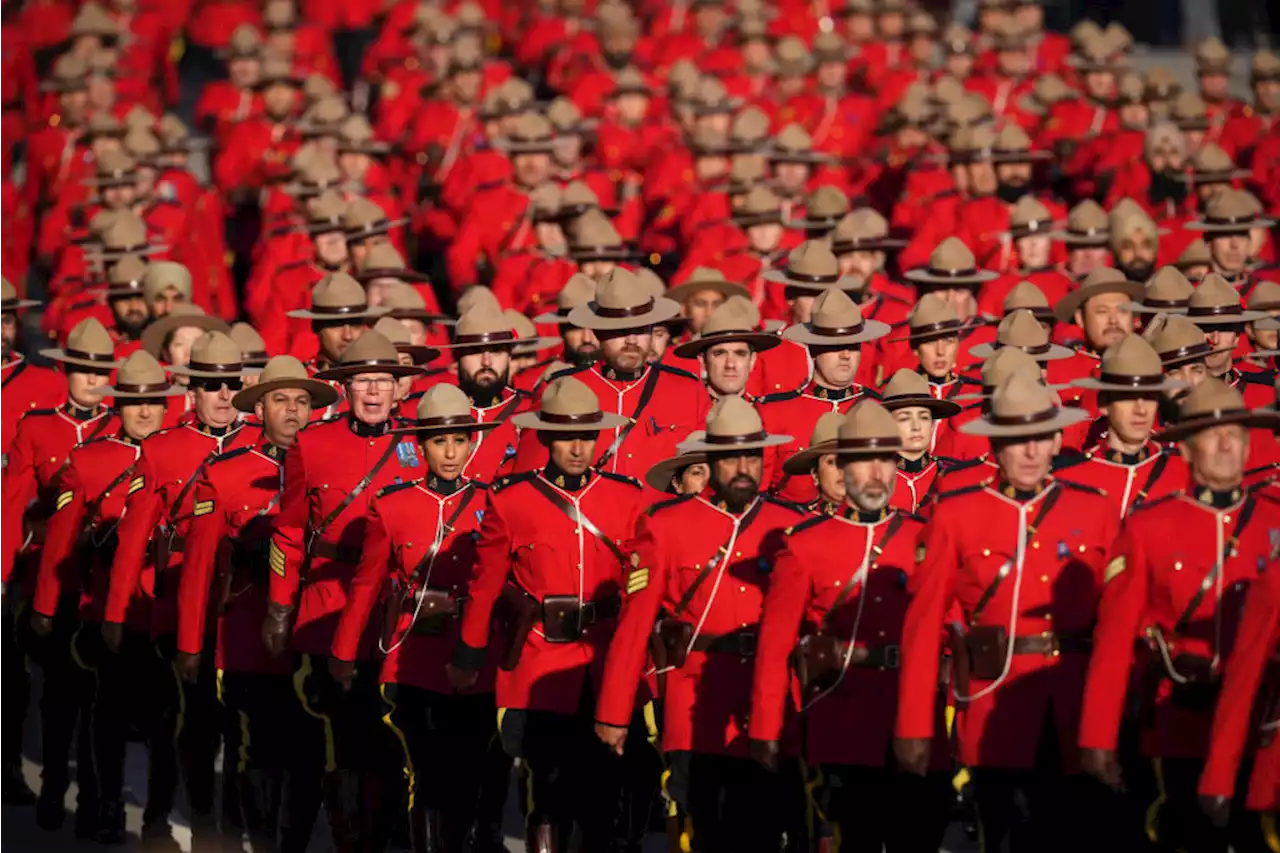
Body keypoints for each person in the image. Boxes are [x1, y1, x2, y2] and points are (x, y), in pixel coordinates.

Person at [895, 371, 1117, 853]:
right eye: (1017, 440)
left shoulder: (1095, 510)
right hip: (994, 700)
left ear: (1059, 438)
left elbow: (1117, 622)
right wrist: (916, 726)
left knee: (1073, 832)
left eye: (1040, 437)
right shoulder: (957, 513)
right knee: (1002, 833)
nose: (1031, 452)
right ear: (995, 446)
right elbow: (923, 624)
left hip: (1074, 699)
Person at [595, 395, 806, 853]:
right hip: (698, 704)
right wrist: (614, 711)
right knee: (706, 828)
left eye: (753, 454)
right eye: (732, 456)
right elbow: (635, 625)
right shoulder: (667, 526)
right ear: (710, 462)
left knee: (769, 830)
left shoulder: (789, 527)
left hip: (770, 699)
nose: (744, 467)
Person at [1080, 378, 1280, 853]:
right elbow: (1114, 640)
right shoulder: (1150, 529)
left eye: (1236, 432)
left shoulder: (1274, 522)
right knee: (1184, 833)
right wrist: (1098, 736)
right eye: (1213, 434)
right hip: (1179, 714)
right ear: (1186, 451)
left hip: (1262, 719)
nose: (1227, 444)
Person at [452, 376, 648, 853]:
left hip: (605, 659)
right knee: (548, 788)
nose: (578, 449)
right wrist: (470, 653)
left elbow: (642, 584)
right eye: (566, 437)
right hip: (540, 659)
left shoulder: (628, 498)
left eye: (586, 436)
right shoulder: (511, 500)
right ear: (544, 438)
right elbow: (485, 586)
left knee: (604, 790)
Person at [751, 400, 953, 853]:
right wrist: (767, 730)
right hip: (843, 722)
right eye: (864, 460)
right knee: (854, 839)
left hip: (915, 718)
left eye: (887, 459)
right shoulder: (804, 545)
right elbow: (775, 645)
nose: (878, 473)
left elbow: (951, 626)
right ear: (843, 467)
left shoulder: (925, 537)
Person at [264, 331, 423, 852]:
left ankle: (387, 830)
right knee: (340, 736)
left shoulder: (422, 443)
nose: (374, 392)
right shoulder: (311, 443)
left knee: (391, 734)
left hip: (396, 611)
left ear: (399, 389)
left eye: (383, 381)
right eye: (362, 382)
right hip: (329, 605)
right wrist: (280, 605)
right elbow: (289, 532)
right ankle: (348, 836)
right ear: (344, 387)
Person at [329, 384, 505, 853]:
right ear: (421, 446)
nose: (450, 452)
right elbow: (367, 583)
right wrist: (344, 652)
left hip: (476, 658)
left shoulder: (496, 504)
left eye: (460, 440)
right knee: (425, 772)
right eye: (439, 441)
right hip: (413, 656)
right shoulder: (391, 504)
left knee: (468, 773)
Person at [102, 330, 259, 848]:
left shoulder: (262, 444)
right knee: (181, 721)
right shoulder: (163, 450)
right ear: (190, 392)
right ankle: (166, 817)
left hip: (240, 605)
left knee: (236, 723)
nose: (221, 395)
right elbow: (133, 539)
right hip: (176, 602)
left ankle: (233, 822)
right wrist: (119, 613)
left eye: (231, 384)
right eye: (210, 385)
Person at [176, 356, 337, 852]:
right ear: (259, 408)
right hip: (247, 633)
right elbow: (200, 565)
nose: (293, 412)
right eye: (281, 400)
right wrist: (189, 643)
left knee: (310, 751)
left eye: (303, 401)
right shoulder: (226, 475)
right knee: (256, 750)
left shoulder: (332, 471)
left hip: (313, 631)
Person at [29, 351, 186, 843]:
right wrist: (45, 606)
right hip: (106, 607)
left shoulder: (184, 455)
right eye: (134, 403)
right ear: (117, 406)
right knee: (106, 712)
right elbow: (61, 542)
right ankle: (107, 804)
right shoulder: (90, 460)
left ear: (167, 406)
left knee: (166, 721)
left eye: (154, 403)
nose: (145, 413)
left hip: (165, 608)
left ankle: (158, 816)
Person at [0, 319, 119, 817]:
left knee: (99, 691)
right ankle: (52, 782)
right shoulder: (39, 426)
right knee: (55, 688)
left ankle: (95, 796)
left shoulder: (120, 426)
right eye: (83, 370)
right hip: (48, 573)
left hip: (104, 578)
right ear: (66, 371)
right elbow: (10, 507)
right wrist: (3, 575)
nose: (93, 380)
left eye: (101, 371)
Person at [514, 267, 710, 483]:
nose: (632, 341)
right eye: (621, 330)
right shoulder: (561, 387)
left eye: (641, 330)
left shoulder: (688, 390)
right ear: (599, 332)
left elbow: (704, 478)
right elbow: (531, 475)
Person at [758, 287, 890, 502]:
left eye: (853, 345)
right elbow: (761, 495)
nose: (846, 355)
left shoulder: (881, 410)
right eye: (835, 346)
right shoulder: (774, 413)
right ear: (813, 349)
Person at [1053, 334, 1190, 518]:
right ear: (1104, 404)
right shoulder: (1069, 479)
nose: (1141, 410)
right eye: (1128, 397)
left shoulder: (1185, 473)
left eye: (1149, 396)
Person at [879, 368, 963, 513]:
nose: (916, 427)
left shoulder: (954, 475)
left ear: (931, 425)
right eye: (905, 418)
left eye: (924, 417)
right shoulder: (873, 480)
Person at [670, 294, 780, 400]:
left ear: (752, 360)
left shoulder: (769, 415)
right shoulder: (682, 413)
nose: (730, 364)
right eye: (719, 353)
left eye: (740, 354)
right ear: (703, 361)